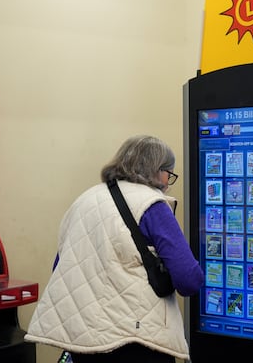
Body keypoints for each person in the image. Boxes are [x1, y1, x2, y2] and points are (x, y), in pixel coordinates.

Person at [25, 135, 204, 363]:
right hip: (135, 338)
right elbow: (188, 279)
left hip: (84, 337)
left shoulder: (84, 200)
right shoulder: (152, 205)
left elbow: (63, 267)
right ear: (157, 170)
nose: (168, 182)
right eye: (169, 173)